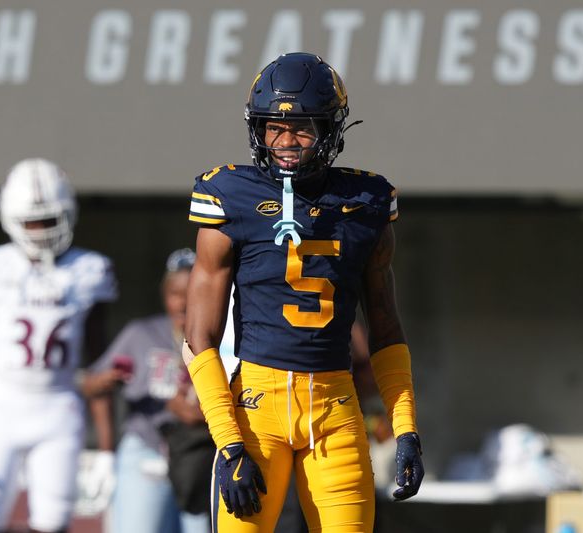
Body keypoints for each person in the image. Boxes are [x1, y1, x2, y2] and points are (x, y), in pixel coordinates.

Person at [183, 52, 424, 532]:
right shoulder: (229, 194)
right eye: (275, 127)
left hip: (335, 407)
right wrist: (229, 442)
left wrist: (406, 427)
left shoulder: (367, 201)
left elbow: (386, 328)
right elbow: (198, 337)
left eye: (303, 128)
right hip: (255, 411)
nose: (286, 141)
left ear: (331, 130)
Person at [0, 158, 118, 533]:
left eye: (50, 220)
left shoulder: (89, 269)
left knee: (53, 521)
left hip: (59, 406)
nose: (41, 231)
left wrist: (108, 447)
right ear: (10, 218)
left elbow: (100, 367)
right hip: (1, 406)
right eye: (32, 220)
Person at [82, 247, 211, 533]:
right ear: (164, 295)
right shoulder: (142, 332)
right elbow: (90, 385)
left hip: (201, 454)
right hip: (148, 448)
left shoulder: (223, 334)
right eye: (175, 294)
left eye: (191, 293)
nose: (183, 303)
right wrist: (107, 380)